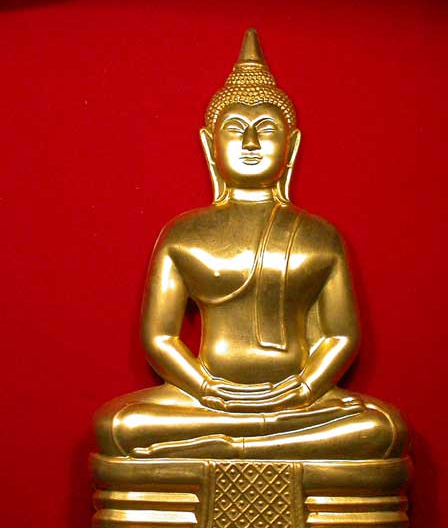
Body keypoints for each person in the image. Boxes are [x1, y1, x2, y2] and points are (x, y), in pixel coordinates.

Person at [95, 29, 407, 462]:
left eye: (267, 129)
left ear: (291, 146)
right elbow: (160, 337)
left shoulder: (319, 235)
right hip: (206, 401)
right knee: (119, 425)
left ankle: (233, 444)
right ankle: (257, 440)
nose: (251, 144)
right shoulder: (183, 234)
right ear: (209, 145)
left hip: (298, 403)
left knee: (381, 429)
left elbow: (341, 335)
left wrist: (305, 388)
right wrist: (206, 388)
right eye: (235, 129)